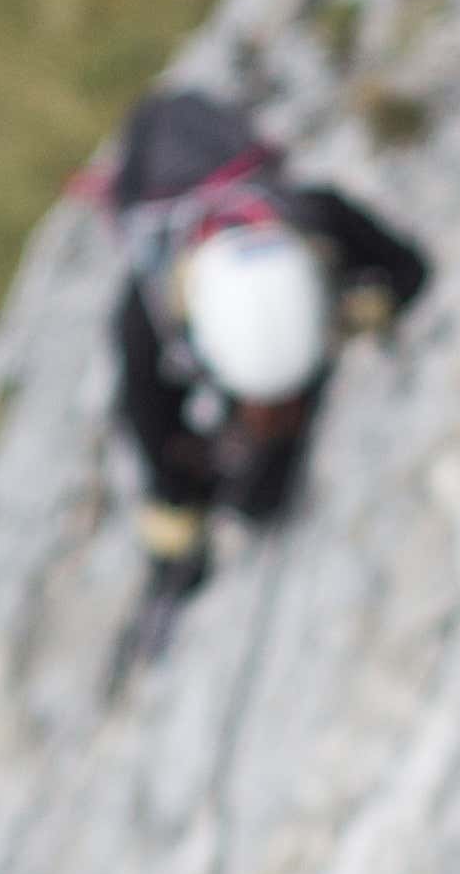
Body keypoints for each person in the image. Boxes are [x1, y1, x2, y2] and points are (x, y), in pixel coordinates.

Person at [93, 88, 436, 662]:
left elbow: (409, 269)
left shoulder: (319, 219)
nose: (278, 416)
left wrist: (360, 312)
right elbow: (150, 430)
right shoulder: (145, 319)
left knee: (260, 490)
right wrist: (177, 521)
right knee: (250, 492)